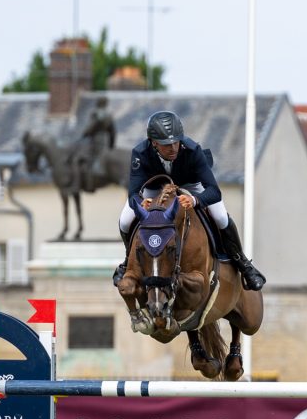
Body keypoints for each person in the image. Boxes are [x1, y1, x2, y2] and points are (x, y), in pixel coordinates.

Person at [112, 110, 266, 291]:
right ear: (154, 143)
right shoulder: (140, 153)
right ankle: (127, 261)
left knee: (221, 217)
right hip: (154, 187)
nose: (174, 148)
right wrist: (139, 202)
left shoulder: (193, 150)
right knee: (125, 220)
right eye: (167, 144)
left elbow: (214, 191)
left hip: (191, 184)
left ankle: (243, 264)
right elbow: (132, 193)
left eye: (176, 141)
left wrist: (195, 200)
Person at [80, 97, 116, 180]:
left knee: (88, 154)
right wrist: (111, 144)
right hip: (105, 138)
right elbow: (113, 132)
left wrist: (85, 134)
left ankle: (92, 172)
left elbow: (91, 126)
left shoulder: (95, 113)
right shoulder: (108, 115)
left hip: (96, 138)